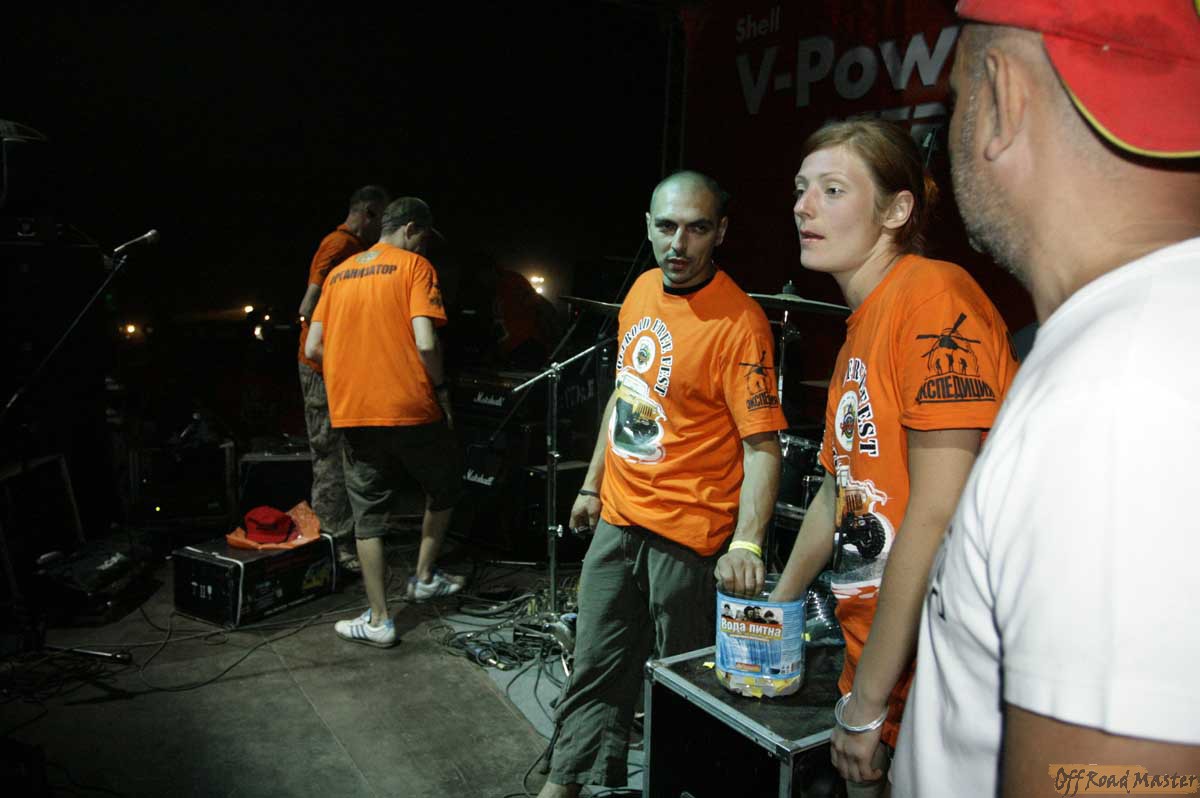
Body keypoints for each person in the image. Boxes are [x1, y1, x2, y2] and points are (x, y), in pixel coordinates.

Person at [892, 2, 1200, 795]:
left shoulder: (1116, 400)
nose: (947, 131)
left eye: (955, 99)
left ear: (1001, 95)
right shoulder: (1148, 340)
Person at [769, 117, 1018, 795]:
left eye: (832, 189)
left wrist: (869, 703)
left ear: (896, 210)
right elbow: (837, 490)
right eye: (800, 189)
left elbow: (938, 513)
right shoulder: (860, 331)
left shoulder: (933, 297)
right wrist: (778, 605)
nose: (804, 206)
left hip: (933, 669)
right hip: (875, 657)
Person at [537, 171, 788, 797]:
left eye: (696, 228)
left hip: (687, 537)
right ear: (648, 226)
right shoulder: (642, 290)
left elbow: (762, 446)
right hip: (619, 519)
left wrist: (747, 543)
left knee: (685, 689)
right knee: (594, 665)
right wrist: (592, 485)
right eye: (667, 226)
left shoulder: (740, 322)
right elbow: (627, 395)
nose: (679, 243)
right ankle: (566, 782)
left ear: (720, 232)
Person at [305, 197, 463, 648]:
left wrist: (352, 373)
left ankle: (379, 620)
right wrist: (438, 384)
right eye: (424, 237)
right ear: (411, 229)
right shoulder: (414, 267)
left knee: (368, 517)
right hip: (411, 406)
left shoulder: (338, 274)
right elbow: (426, 342)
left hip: (355, 412)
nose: (425, 247)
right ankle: (423, 577)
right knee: (445, 487)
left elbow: (313, 348)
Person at [296, 185, 389, 573]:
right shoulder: (338, 245)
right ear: (368, 212)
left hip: (339, 367)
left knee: (348, 453)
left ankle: (345, 540)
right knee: (330, 458)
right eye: (381, 217)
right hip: (322, 368)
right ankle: (332, 548)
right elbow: (307, 305)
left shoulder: (354, 248)